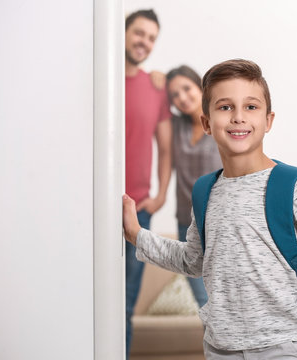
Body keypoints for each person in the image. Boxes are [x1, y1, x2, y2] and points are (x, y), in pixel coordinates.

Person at [122, 59, 297, 359]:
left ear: (268, 120)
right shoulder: (204, 191)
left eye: (251, 107)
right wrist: (137, 235)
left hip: (285, 347)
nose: (238, 117)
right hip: (220, 348)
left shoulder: (293, 186)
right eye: (225, 107)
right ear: (206, 123)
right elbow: (194, 260)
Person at [151, 65, 222, 307]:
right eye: (174, 95)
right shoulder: (175, 126)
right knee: (203, 302)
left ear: (200, 86)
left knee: (223, 301)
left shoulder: (220, 120)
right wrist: (156, 80)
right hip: (186, 224)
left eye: (186, 89)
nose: (182, 98)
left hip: (220, 223)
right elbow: (153, 107)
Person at [124, 9, 172, 357]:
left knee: (125, 304)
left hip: (139, 210)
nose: (145, 42)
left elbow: (166, 148)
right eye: (139, 33)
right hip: (91, 207)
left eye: (151, 37)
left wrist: (160, 197)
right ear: (123, 33)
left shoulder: (156, 88)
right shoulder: (100, 78)